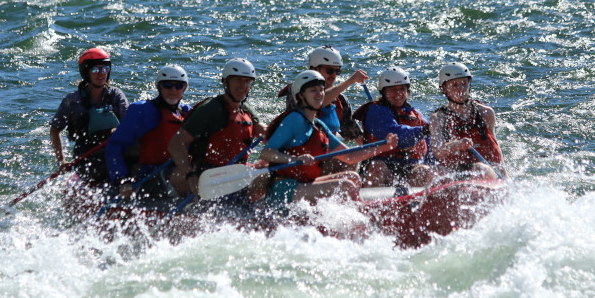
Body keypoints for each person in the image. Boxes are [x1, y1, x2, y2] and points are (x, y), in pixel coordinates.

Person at [262, 70, 398, 209]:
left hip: (304, 183)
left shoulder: (319, 125)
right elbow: (266, 153)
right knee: (346, 186)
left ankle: (354, 212)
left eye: (321, 90)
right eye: (313, 90)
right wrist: (293, 159)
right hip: (284, 188)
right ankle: (365, 212)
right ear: (300, 96)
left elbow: (350, 156)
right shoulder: (294, 119)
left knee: (353, 177)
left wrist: (383, 147)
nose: (319, 94)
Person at [167, 58, 267, 203]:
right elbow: (176, 144)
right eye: (239, 80)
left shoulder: (245, 109)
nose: (243, 86)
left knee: (269, 172)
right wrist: (190, 176)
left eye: (247, 81)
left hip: (235, 174)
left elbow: (266, 133)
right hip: (208, 175)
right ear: (225, 82)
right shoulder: (210, 109)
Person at [105, 65, 192, 199]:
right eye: (168, 85)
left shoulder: (186, 112)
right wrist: (122, 180)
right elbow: (114, 146)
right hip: (148, 177)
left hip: (175, 172)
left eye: (179, 86)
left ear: (184, 89)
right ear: (159, 87)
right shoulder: (142, 110)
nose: (173, 90)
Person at [50, 47, 129, 183]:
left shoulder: (116, 95)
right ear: (86, 72)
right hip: (86, 156)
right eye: (95, 70)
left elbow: (130, 125)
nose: (101, 74)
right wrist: (61, 161)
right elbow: (55, 130)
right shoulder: (72, 100)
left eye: (105, 69)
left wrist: (119, 131)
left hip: (114, 152)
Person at [352, 67, 434, 187]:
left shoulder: (416, 115)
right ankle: (373, 198)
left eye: (402, 89)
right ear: (383, 92)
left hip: (410, 167)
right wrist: (424, 130)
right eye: (392, 90)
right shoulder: (375, 111)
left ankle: (422, 197)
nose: (398, 94)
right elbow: (397, 135)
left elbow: (431, 147)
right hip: (383, 165)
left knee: (425, 171)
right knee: (377, 167)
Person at [428, 62, 504, 179]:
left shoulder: (486, 113)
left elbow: (496, 149)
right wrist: (456, 145)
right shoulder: (438, 118)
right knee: (430, 172)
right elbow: (437, 151)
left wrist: (505, 175)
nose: (461, 89)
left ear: (469, 84)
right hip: (457, 172)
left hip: (486, 170)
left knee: (479, 169)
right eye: (454, 85)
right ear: (444, 89)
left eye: (464, 84)